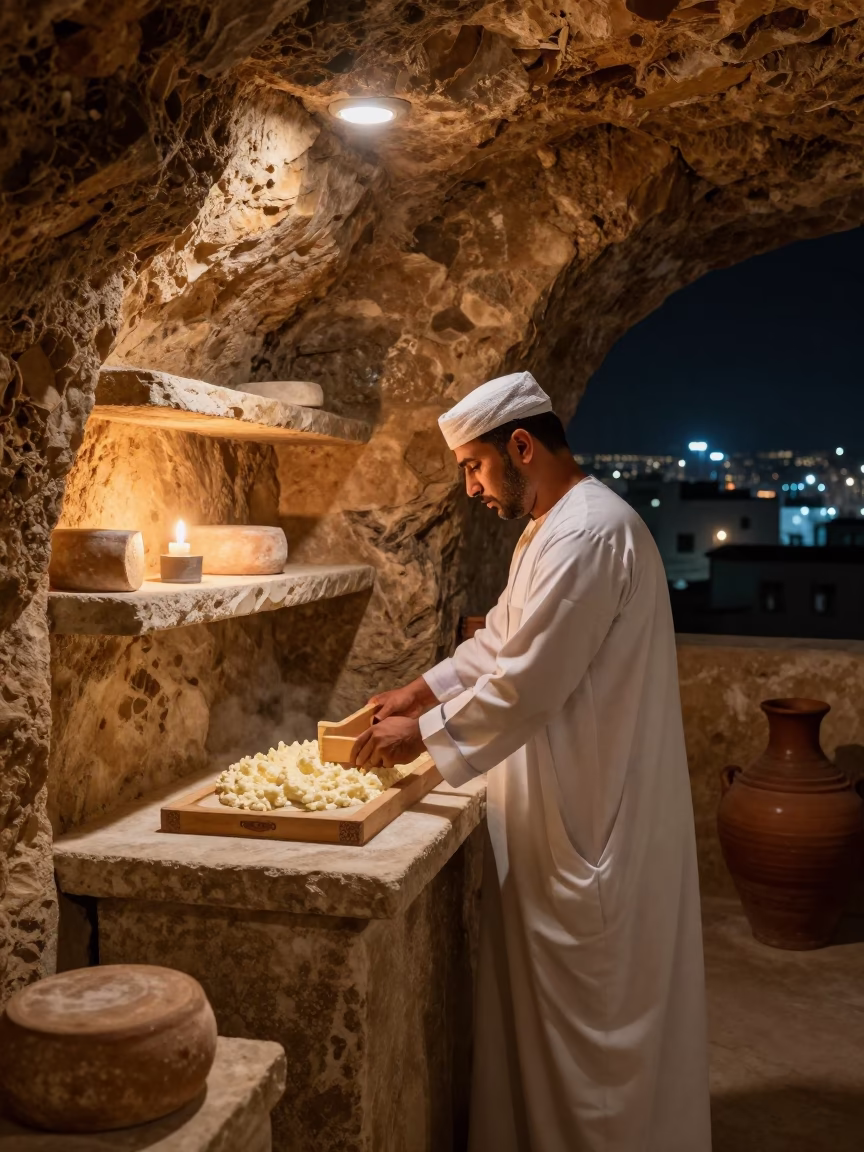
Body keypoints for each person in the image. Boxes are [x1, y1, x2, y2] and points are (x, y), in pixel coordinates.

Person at [350, 371, 712, 1152]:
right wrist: (420, 689)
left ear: (522, 446)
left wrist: (420, 735)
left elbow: (527, 681)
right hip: (563, 801)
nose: (473, 488)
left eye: (476, 468)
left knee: (595, 1037)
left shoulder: (586, 533)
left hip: (591, 809)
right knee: (546, 1027)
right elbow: (501, 642)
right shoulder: (550, 529)